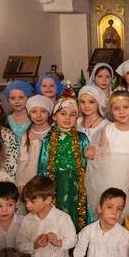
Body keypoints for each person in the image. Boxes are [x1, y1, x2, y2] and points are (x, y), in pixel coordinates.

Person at [85, 90, 129, 218]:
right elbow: (102, 152)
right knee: (111, 209)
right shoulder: (108, 130)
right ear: (111, 110)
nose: (122, 112)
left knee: (128, 212)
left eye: (126, 107)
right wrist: (93, 149)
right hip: (110, 177)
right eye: (116, 108)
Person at [38, 94, 93, 231]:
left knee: (75, 213)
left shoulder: (82, 138)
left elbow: (88, 165)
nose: (68, 118)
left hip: (77, 184)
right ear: (54, 116)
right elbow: (42, 165)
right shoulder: (48, 139)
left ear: (77, 118)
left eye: (72, 114)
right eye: (63, 114)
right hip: (55, 183)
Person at [17, 95, 52, 191]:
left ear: (49, 113)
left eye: (43, 111)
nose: (38, 115)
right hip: (30, 176)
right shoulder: (26, 134)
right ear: (29, 114)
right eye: (34, 112)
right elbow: (23, 159)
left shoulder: (54, 133)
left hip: (49, 175)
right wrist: (21, 181)